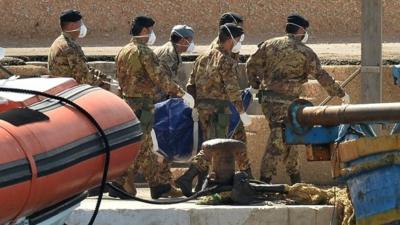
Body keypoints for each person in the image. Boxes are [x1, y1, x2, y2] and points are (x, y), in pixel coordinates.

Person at [246, 14, 350, 184]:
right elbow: (321, 75)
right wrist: (341, 94)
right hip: (286, 103)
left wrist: (255, 84)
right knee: (278, 141)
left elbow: (251, 64)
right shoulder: (305, 52)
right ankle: (264, 182)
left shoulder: (269, 44)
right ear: (300, 30)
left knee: (290, 138)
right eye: (305, 31)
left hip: (269, 102)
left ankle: (296, 181)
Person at [114, 16, 194, 199]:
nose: (151, 34)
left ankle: (158, 186)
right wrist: (182, 94)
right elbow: (160, 79)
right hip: (143, 106)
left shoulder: (123, 51)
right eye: (150, 30)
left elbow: (120, 80)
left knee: (147, 146)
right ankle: (121, 181)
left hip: (128, 104)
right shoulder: (144, 52)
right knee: (144, 147)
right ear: (143, 31)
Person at [176, 23, 252, 197]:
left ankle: (249, 176)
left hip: (204, 108)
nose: (239, 43)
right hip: (220, 111)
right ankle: (188, 177)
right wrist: (242, 112)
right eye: (238, 39)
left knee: (240, 138)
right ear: (231, 39)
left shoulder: (202, 56)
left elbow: (191, 83)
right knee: (214, 147)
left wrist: (195, 105)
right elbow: (233, 90)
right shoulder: (225, 60)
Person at [48, 9, 110, 88]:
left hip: (61, 91)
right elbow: (84, 77)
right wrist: (109, 87)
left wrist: (107, 79)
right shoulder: (69, 47)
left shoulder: (58, 42)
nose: (82, 26)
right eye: (80, 23)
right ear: (72, 26)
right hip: (70, 93)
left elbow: (85, 68)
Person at [153, 24, 195, 102]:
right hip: (157, 99)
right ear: (183, 40)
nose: (191, 43)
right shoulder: (169, 54)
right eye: (190, 40)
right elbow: (165, 81)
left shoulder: (173, 51)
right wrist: (183, 95)